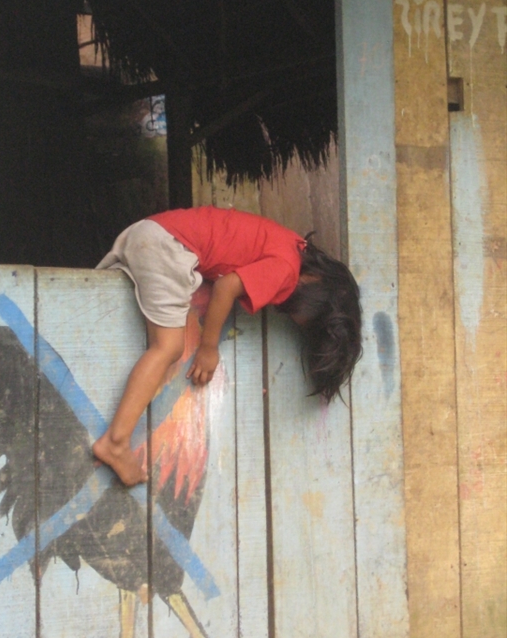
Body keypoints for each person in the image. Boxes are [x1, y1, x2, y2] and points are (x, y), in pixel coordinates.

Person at [92, 206, 362, 486]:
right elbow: (226, 288)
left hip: (152, 233)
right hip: (168, 247)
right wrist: (208, 348)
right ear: (316, 289)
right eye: (308, 321)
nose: (298, 321)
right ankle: (116, 441)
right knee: (169, 347)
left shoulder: (289, 246)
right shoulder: (287, 270)